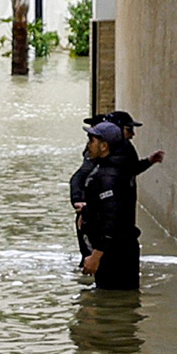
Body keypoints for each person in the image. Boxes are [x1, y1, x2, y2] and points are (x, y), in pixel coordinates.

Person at [69, 110, 165, 262]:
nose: (133, 134)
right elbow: (79, 177)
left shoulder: (122, 154)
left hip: (117, 237)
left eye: (92, 140)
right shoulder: (102, 163)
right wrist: (81, 204)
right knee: (92, 262)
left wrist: (148, 162)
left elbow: (129, 172)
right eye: (129, 129)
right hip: (106, 233)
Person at [78, 120, 141, 290]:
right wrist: (86, 211)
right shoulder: (111, 168)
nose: (88, 145)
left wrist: (97, 255)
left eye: (92, 141)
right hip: (115, 251)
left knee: (113, 302)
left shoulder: (108, 176)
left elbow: (113, 218)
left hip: (114, 254)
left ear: (104, 146)